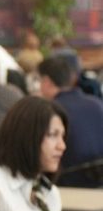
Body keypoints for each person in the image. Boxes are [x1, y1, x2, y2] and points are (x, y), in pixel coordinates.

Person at [38, 56, 103, 187]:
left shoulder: (48, 111)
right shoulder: (97, 104)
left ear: (46, 82)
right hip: (98, 186)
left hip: (64, 186)